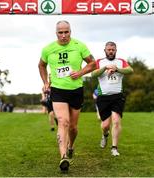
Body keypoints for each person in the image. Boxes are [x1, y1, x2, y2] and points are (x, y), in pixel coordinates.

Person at [38, 20, 95, 172]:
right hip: (58, 90)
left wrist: (80, 72)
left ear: (71, 31)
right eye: (60, 32)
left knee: (74, 128)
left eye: (66, 32)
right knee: (63, 121)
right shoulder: (48, 49)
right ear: (56, 33)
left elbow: (92, 63)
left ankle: (70, 146)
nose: (63, 35)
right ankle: (63, 156)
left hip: (76, 90)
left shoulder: (79, 46)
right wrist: (45, 82)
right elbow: (41, 65)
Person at [93, 41, 133, 156]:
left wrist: (117, 69)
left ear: (116, 50)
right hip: (103, 97)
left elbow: (130, 70)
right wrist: (105, 68)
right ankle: (105, 135)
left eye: (113, 50)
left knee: (116, 121)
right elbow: (93, 74)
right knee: (105, 125)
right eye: (108, 50)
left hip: (117, 96)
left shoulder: (120, 62)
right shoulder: (100, 62)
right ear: (105, 50)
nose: (111, 51)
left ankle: (114, 147)